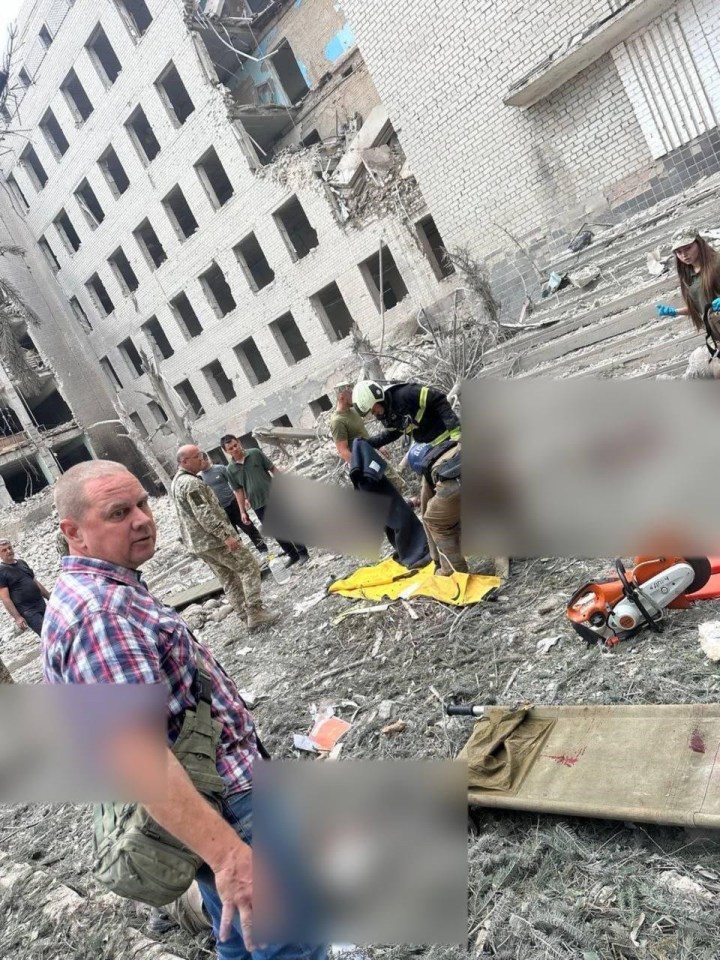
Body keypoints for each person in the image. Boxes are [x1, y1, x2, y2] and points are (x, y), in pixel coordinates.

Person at [42, 460, 326, 960]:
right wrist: (228, 856)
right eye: (117, 512)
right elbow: (138, 760)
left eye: (143, 504)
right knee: (289, 941)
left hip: (208, 802)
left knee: (239, 934)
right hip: (226, 807)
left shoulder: (100, 592)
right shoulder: (101, 614)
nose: (142, 519)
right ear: (74, 532)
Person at [172, 446, 279, 632]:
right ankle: (255, 611)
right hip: (214, 540)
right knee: (249, 566)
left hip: (200, 544)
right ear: (184, 461)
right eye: (197, 456)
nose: (202, 458)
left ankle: (246, 618)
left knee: (228, 578)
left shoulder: (177, 482)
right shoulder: (191, 484)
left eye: (201, 454)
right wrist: (226, 535)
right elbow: (204, 514)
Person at [352, 379, 460, 528]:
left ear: (378, 399)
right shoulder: (387, 414)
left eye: (374, 410)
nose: (375, 414)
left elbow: (438, 398)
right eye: (371, 413)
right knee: (428, 501)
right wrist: (369, 443)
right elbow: (393, 433)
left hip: (448, 441)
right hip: (431, 451)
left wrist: (455, 432)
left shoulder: (405, 393)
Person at [220, 435, 309, 568]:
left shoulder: (255, 453)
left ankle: (303, 552)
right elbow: (239, 491)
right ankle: (292, 554)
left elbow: (272, 469)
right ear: (226, 451)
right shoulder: (230, 470)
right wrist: (243, 512)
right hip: (257, 504)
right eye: (230, 448)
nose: (235, 449)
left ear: (239, 442)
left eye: (235, 445)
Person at [655, 227, 720, 379]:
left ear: (699, 243)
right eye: (679, 252)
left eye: (688, 248)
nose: (684, 255)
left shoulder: (717, 262)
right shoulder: (688, 276)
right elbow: (700, 307)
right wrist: (675, 312)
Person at [330, 382, 405, 493]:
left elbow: (362, 433)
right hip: (365, 462)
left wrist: (378, 446)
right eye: (350, 394)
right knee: (387, 490)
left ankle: (408, 505)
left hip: (373, 454)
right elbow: (343, 450)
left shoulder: (354, 411)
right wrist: (360, 468)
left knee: (397, 484)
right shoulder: (337, 421)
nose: (354, 396)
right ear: (342, 397)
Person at [199, 452, 267, 555]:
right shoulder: (200, 478)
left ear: (205, 459)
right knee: (232, 535)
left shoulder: (220, 469)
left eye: (200, 461)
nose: (199, 464)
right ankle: (245, 556)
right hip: (220, 510)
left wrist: (244, 498)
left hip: (233, 504)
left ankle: (262, 548)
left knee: (248, 527)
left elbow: (236, 484)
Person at [0, 538, 50, 635]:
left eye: (10, 548)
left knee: (57, 630)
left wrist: (49, 597)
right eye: (4, 550)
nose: (9, 551)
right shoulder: (1, 571)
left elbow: (35, 582)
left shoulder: (21, 563)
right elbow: (5, 599)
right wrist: (18, 617)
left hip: (41, 604)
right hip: (28, 611)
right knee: (47, 635)